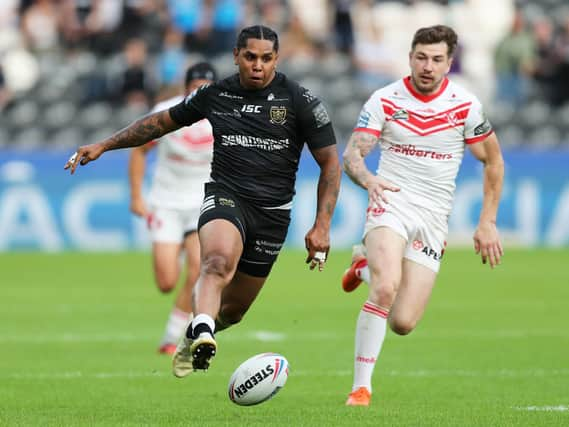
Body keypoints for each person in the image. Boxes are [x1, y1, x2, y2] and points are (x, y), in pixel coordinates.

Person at [64, 25, 341, 377]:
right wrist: (105, 144)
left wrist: (322, 225)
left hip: (272, 214)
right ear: (236, 56)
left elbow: (331, 163)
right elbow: (159, 123)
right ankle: (204, 330)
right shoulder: (215, 94)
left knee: (236, 310)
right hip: (226, 197)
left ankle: (197, 330)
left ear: (277, 59)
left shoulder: (300, 100)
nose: (258, 65)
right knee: (216, 262)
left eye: (266, 58)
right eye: (250, 57)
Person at [341, 25, 504, 406]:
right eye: (420, 57)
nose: (427, 66)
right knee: (385, 289)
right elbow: (352, 155)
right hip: (390, 203)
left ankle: (362, 267)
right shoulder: (385, 99)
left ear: (449, 63)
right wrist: (370, 180)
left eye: (436, 59)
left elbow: (493, 160)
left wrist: (487, 221)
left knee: (403, 322)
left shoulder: (465, 105)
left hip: (433, 217)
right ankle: (360, 388)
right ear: (410, 57)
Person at [128, 62, 217, 355]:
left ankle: (171, 337)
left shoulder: (223, 117)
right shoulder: (168, 112)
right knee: (166, 282)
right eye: (196, 87)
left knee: (198, 269)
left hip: (200, 204)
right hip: (166, 202)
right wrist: (137, 196)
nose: (201, 92)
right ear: (186, 88)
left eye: (206, 87)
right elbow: (140, 151)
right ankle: (173, 247)